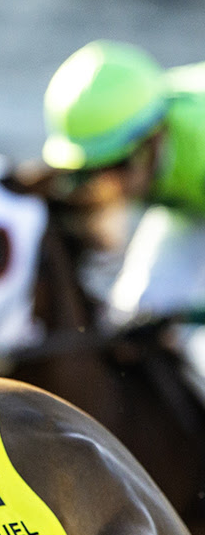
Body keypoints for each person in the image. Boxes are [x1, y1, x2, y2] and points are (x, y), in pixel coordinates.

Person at [42, 41, 205, 337]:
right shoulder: (146, 120)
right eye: (85, 172)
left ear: (152, 140)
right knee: (133, 314)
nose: (99, 186)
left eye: (112, 165)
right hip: (185, 202)